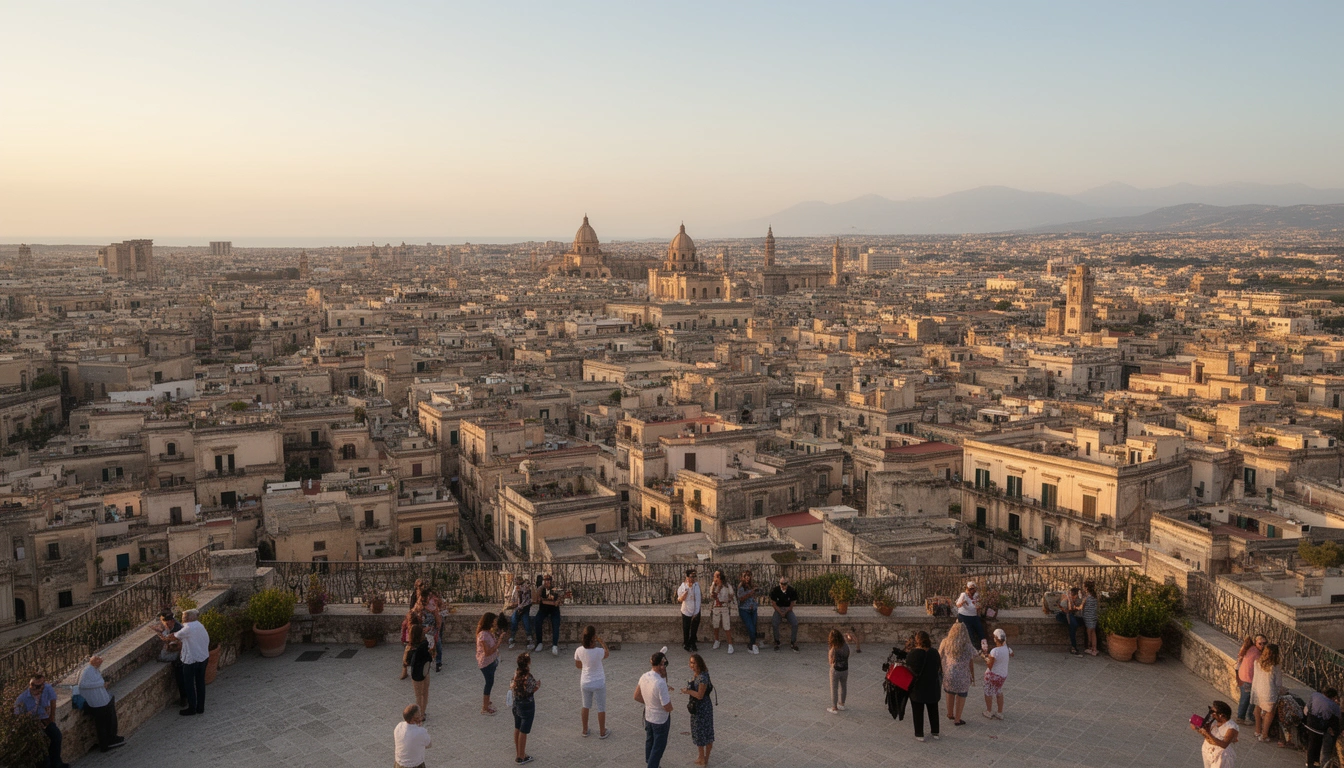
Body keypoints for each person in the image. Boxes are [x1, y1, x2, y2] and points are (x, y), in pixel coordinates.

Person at [13, 672, 67, 768]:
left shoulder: (46, 688)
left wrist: (51, 718)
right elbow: (18, 717)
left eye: (40, 685)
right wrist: (33, 722)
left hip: (44, 719)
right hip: (32, 723)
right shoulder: (22, 699)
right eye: (34, 685)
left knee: (56, 735)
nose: (37, 688)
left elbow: (52, 701)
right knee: (41, 744)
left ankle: (57, 763)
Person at [77, 655, 125, 752]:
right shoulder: (87, 671)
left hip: (102, 700)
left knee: (107, 721)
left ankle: (111, 739)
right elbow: (82, 685)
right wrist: (100, 684)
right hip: (96, 702)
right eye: (99, 661)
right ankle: (104, 745)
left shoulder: (95, 670)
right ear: (95, 662)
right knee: (101, 725)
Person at [635, 650, 674, 768]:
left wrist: (649, 703)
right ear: (660, 664)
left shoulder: (644, 676)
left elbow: (636, 696)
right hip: (660, 720)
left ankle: (650, 761)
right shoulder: (660, 683)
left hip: (648, 716)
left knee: (650, 741)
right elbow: (667, 707)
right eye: (664, 664)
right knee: (658, 748)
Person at [574, 625, 610, 738]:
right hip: (599, 681)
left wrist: (587, 665)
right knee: (601, 707)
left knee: (585, 705)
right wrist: (602, 642)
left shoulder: (579, 650)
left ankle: (585, 730)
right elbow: (607, 653)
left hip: (585, 681)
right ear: (594, 637)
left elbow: (578, 665)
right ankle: (602, 731)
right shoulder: (599, 651)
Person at [679, 653, 715, 766]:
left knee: (706, 733)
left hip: (703, 709)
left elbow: (700, 695)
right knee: (699, 733)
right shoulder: (698, 674)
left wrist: (687, 691)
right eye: (690, 662)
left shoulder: (702, 678)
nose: (691, 665)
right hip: (698, 708)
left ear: (699, 663)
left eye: (693, 663)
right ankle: (701, 756)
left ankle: (705, 758)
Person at [906, 630, 942, 741]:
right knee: (933, 709)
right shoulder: (934, 652)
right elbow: (938, 667)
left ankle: (919, 733)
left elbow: (908, 667)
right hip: (932, 686)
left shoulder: (913, 654)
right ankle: (935, 732)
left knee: (917, 710)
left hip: (918, 688)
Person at [173, 608, 210, 716]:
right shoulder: (200, 625)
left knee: (189, 684)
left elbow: (176, 636)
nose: (182, 619)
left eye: (184, 617)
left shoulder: (187, 628)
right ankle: (200, 707)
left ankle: (192, 707)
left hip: (191, 660)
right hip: (203, 657)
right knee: (200, 683)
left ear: (188, 618)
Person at [939, 620, 976, 726]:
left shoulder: (945, 642)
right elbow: (972, 660)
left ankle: (950, 713)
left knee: (949, 693)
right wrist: (972, 676)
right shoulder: (968, 646)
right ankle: (958, 719)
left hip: (949, 673)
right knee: (961, 695)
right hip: (963, 675)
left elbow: (939, 655)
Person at [152, 610, 187, 706]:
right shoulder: (169, 627)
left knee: (181, 676)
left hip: (181, 655)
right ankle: (185, 697)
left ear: (172, 621)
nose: (165, 624)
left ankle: (184, 698)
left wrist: (169, 645)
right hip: (178, 653)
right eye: (164, 623)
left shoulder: (178, 629)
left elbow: (180, 645)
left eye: (167, 622)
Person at [510, 652, 540, 765]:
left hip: (516, 703)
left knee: (517, 727)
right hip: (527, 706)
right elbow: (532, 688)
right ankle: (521, 756)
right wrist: (538, 685)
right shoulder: (528, 676)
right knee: (524, 731)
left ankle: (518, 752)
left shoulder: (516, 673)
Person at [1251, 642, 1284, 744]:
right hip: (1269, 692)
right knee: (1270, 712)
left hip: (1257, 689)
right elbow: (1278, 683)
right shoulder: (1275, 667)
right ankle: (1264, 735)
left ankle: (1257, 730)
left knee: (1257, 708)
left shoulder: (1257, 662)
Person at [1191, 700, 1238, 768]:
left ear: (1221, 715)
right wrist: (1198, 729)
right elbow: (1207, 735)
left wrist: (1208, 733)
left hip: (1221, 757)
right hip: (1208, 752)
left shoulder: (1231, 728)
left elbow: (1224, 744)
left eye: (1213, 712)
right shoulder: (1214, 721)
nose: (1211, 714)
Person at [1303, 686, 1340, 768]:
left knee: (1312, 744)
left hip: (1309, 723)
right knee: (1316, 744)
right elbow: (1337, 718)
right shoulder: (1334, 706)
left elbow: (1306, 710)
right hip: (1320, 728)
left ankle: (1311, 762)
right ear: (1333, 697)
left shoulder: (1315, 695)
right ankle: (1313, 763)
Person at [982, 627, 1013, 720]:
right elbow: (1012, 654)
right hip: (1002, 675)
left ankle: (989, 711)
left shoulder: (995, 651)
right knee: (998, 691)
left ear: (996, 638)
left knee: (988, 692)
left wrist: (985, 657)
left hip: (993, 675)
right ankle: (1000, 712)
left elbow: (990, 665)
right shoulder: (1007, 649)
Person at [1234, 634, 1266, 724]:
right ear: (1256, 643)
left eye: (1264, 643)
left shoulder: (1250, 648)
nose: (1262, 646)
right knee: (1249, 699)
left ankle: (1242, 716)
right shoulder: (1257, 654)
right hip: (1248, 680)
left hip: (1242, 677)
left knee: (1245, 698)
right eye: (1260, 643)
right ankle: (1245, 717)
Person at [477, 612, 503, 715]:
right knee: (489, 683)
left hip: (491, 661)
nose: (496, 622)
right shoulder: (483, 635)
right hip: (486, 663)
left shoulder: (488, 632)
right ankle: (485, 707)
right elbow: (487, 652)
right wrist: (499, 643)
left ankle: (487, 701)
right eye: (494, 621)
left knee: (490, 682)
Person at [534, 574, 565, 656]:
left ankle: (555, 645)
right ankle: (539, 642)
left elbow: (558, 602)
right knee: (537, 620)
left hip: (553, 610)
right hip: (543, 609)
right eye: (545, 580)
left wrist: (555, 601)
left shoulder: (554, 589)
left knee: (556, 623)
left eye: (548, 580)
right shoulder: (541, 589)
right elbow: (536, 600)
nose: (547, 582)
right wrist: (539, 591)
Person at [394, 704, 432, 768]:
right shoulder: (421, 732)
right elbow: (429, 744)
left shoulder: (399, 726)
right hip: (416, 765)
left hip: (399, 764)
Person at [826, 629, 854, 714]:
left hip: (835, 670)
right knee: (843, 686)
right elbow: (849, 654)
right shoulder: (846, 646)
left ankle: (834, 707)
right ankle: (842, 704)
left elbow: (830, 661)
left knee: (834, 688)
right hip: (845, 669)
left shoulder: (834, 648)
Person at [769, 576, 800, 652]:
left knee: (795, 623)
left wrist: (786, 612)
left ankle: (793, 642)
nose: (783, 586)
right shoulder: (775, 590)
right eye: (782, 584)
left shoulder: (791, 590)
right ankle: (777, 641)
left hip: (788, 609)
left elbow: (792, 604)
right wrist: (780, 612)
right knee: (775, 623)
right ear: (779, 584)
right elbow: (773, 603)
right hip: (778, 608)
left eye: (785, 584)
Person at [408, 624, 433, 720]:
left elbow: (408, 661)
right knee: (425, 692)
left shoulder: (412, 647)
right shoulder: (425, 644)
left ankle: (420, 715)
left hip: (416, 673)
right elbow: (429, 658)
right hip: (425, 671)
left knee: (418, 695)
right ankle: (423, 712)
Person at [708, 570, 734, 654]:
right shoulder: (713, 585)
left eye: (715, 576)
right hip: (716, 607)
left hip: (724, 607)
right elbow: (712, 595)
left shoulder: (727, 586)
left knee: (726, 625)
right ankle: (716, 640)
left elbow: (731, 595)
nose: (714, 578)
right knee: (715, 624)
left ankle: (730, 644)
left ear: (719, 577)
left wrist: (728, 599)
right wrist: (717, 588)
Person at [677, 569, 703, 652]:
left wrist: (697, 611)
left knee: (694, 628)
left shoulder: (697, 586)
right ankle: (686, 643)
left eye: (694, 576)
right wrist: (685, 594)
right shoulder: (683, 586)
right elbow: (679, 599)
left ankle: (692, 642)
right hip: (686, 610)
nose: (693, 578)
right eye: (692, 576)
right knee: (686, 627)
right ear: (687, 577)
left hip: (696, 610)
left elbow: (699, 598)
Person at [505, 575, 533, 650]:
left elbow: (527, 601)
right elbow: (515, 601)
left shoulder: (525, 588)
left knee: (526, 621)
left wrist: (521, 608)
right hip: (518, 608)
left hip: (525, 608)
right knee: (514, 620)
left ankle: (529, 638)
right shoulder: (516, 588)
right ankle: (512, 637)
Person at [736, 570, 761, 654]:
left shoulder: (752, 586)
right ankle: (753, 645)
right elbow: (741, 598)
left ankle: (752, 644)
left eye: (749, 576)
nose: (747, 578)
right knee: (751, 627)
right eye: (745, 576)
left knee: (753, 626)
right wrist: (751, 593)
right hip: (744, 609)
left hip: (753, 609)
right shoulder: (741, 587)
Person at [1054, 586, 1084, 655]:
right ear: (1075, 595)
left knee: (1081, 622)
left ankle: (1079, 646)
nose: (1078, 597)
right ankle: (1073, 647)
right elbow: (1065, 610)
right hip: (1063, 615)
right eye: (1077, 595)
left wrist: (1077, 608)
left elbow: (1072, 610)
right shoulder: (1066, 600)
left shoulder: (1072, 600)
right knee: (1073, 625)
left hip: (1069, 615)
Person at [955, 581, 985, 648]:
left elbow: (978, 604)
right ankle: (973, 648)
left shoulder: (976, 595)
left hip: (974, 616)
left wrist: (979, 606)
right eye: (971, 589)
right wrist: (963, 602)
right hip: (964, 616)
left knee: (980, 630)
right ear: (968, 589)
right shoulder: (963, 595)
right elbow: (958, 605)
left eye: (974, 589)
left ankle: (984, 646)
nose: (973, 590)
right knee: (970, 632)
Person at [1081, 580, 1100, 656]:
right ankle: (1094, 649)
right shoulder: (1095, 597)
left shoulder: (1087, 598)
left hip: (1088, 617)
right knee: (1093, 633)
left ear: (1086, 588)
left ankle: (1090, 648)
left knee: (1089, 634)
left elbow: (1082, 607)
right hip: (1094, 616)